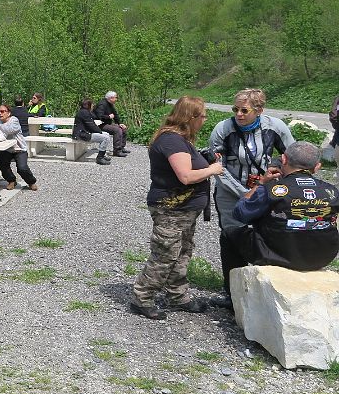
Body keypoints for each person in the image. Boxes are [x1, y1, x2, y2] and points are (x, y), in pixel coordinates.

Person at [130, 97, 224, 320]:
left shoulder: (181, 139)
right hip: (171, 209)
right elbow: (185, 176)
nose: (205, 119)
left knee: (183, 252)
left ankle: (177, 295)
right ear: (191, 117)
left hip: (185, 209)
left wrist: (203, 158)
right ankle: (142, 297)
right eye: (202, 116)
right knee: (165, 254)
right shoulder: (172, 140)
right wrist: (212, 169)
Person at [208, 88, 294, 300]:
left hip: (264, 189)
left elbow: (291, 157)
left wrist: (272, 171)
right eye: (235, 109)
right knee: (232, 236)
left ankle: (262, 288)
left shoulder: (275, 127)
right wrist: (245, 192)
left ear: (259, 110)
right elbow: (216, 166)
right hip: (230, 191)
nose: (238, 114)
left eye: (244, 110)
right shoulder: (223, 129)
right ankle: (233, 294)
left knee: (265, 233)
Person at [220, 142, 339, 277]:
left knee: (229, 234)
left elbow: (240, 213)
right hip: (323, 255)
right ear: (317, 167)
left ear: (284, 159)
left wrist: (261, 183)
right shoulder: (331, 190)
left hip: (277, 254)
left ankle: (232, 293)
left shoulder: (273, 190)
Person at [0, 104, 38, 191]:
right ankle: (11, 181)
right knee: (2, 164)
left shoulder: (14, 120)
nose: (0, 114)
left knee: (22, 168)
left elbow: (9, 130)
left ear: (9, 113)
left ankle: (31, 182)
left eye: (2, 111)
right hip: (6, 150)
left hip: (19, 149)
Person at [73, 98, 114, 165]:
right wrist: (100, 132)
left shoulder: (85, 111)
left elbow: (95, 117)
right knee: (105, 138)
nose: (93, 106)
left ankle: (102, 155)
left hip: (84, 132)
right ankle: (99, 158)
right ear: (88, 105)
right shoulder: (84, 113)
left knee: (106, 134)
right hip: (81, 135)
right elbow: (91, 126)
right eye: (92, 104)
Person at [94, 91, 130, 157]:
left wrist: (120, 123)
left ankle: (121, 147)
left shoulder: (110, 104)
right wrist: (108, 117)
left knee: (123, 128)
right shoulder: (102, 104)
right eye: (115, 98)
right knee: (117, 130)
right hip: (99, 125)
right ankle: (116, 151)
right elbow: (100, 116)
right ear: (111, 98)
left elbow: (115, 115)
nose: (116, 99)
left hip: (106, 123)